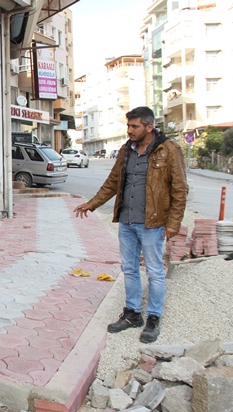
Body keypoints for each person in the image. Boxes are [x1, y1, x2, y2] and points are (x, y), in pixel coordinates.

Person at [73, 106, 187, 344]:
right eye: (128, 126)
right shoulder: (126, 150)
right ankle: (132, 313)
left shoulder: (169, 150)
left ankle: (153, 318)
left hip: (153, 223)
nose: (129, 131)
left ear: (149, 126)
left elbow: (179, 188)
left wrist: (173, 222)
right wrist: (92, 204)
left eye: (134, 126)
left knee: (155, 271)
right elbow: (113, 181)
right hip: (127, 221)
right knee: (130, 269)